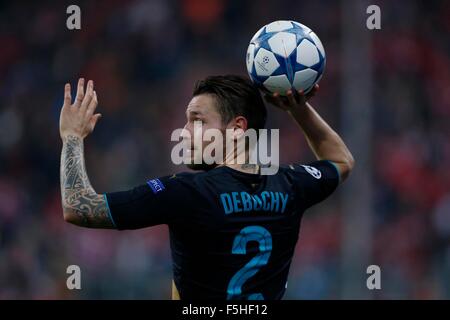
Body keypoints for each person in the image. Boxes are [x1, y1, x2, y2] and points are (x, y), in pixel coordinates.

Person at [59, 75, 354, 300]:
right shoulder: (291, 184)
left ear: (237, 128)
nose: (184, 131)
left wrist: (73, 137)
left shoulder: (186, 193)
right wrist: (298, 109)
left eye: (197, 121)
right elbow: (340, 161)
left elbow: (77, 206)